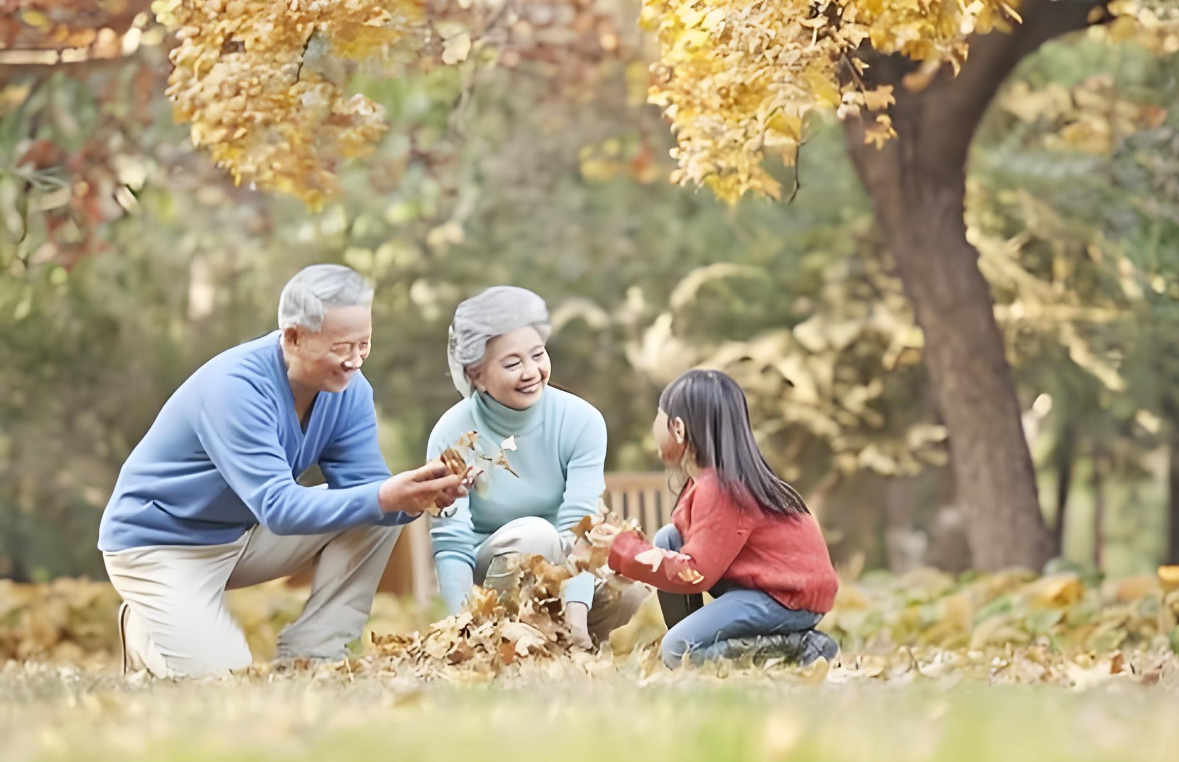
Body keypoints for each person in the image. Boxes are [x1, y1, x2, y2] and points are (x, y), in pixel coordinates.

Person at [98, 265, 467, 678]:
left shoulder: (350, 391)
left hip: (240, 537)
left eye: (365, 344)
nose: (355, 361)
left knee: (376, 511)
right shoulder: (235, 387)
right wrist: (385, 495)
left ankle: (313, 654)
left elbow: (368, 490)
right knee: (223, 678)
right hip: (159, 545)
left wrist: (416, 496)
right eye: (342, 347)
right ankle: (146, 628)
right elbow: (278, 507)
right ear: (293, 336)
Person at [428, 286, 647, 648]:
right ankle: (496, 639)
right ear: (476, 375)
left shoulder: (581, 421)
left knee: (629, 580)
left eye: (538, 355)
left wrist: (577, 620)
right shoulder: (452, 435)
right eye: (513, 363)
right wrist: (460, 628)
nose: (531, 372)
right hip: (492, 579)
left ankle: (565, 643)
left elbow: (580, 528)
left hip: (563, 571)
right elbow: (452, 542)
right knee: (536, 535)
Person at [606, 369, 840, 669]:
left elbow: (696, 572)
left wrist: (625, 551)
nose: (654, 427)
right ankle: (690, 639)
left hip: (785, 597)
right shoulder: (704, 482)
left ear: (678, 428)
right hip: (762, 588)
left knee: (678, 652)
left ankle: (796, 648)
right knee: (668, 539)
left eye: (658, 416)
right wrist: (627, 562)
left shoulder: (722, 489)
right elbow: (682, 552)